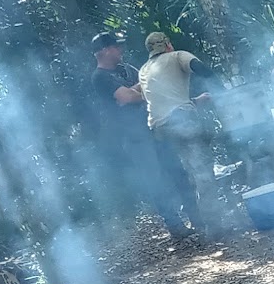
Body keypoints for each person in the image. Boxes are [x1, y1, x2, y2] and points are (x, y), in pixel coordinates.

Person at [90, 30, 195, 239]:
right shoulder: (100, 78)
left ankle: (197, 217)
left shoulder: (127, 68)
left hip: (154, 127)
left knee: (178, 172)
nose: (121, 50)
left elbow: (144, 89)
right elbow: (127, 97)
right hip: (134, 138)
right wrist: (144, 89)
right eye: (116, 46)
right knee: (155, 180)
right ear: (104, 51)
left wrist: (140, 90)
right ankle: (175, 226)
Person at [139, 31, 238, 232]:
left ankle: (197, 221)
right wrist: (224, 94)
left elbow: (162, 101)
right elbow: (202, 70)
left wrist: (193, 101)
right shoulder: (178, 56)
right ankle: (215, 227)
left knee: (184, 176)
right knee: (202, 172)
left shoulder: (143, 70)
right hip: (181, 122)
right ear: (167, 45)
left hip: (159, 132)